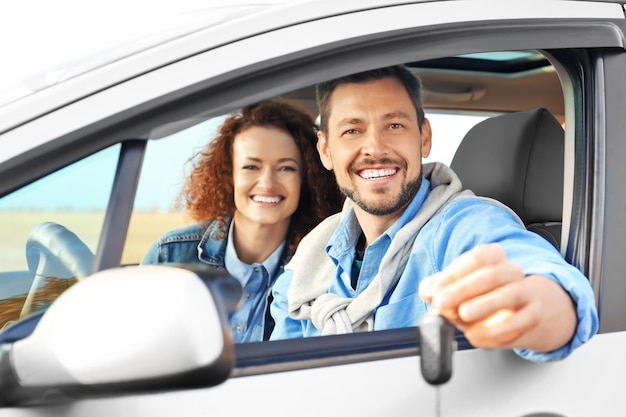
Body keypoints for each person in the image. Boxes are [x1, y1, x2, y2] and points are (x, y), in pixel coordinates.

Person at [269, 65, 599, 362]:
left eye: (394, 124)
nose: (375, 148)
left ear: (424, 137)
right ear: (326, 150)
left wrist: (533, 306)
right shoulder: (311, 256)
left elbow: (547, 284)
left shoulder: (464, 225)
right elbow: (277, 377)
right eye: (352, 131)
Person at [142, 99, 343, 343]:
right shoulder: (170, 257)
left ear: (307, 179)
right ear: (229, 175)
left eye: (286, 168)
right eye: (250, 167)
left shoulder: (324, 268)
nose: (267, 183)